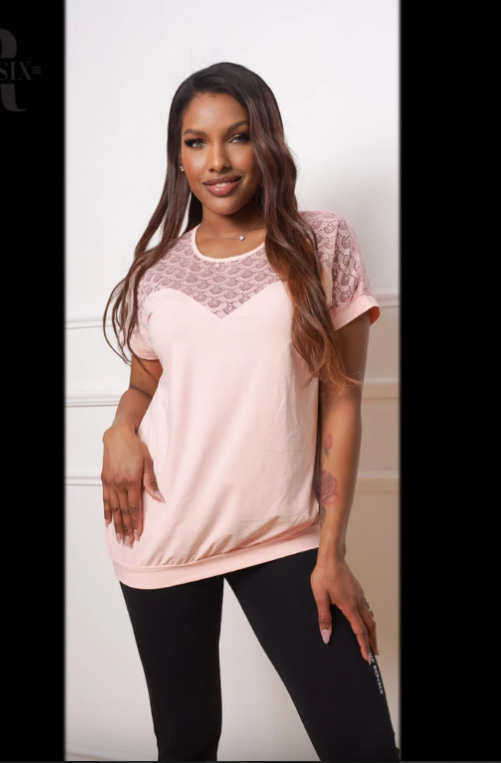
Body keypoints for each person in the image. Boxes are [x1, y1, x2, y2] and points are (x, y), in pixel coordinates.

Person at [101, 61, 399, 762]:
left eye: (237, 136)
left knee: (362, 744)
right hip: (160, 531)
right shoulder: (157, 270)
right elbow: (143, 386)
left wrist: (331, 550)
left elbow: (343, 397)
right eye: (196, 142)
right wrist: (119, 428)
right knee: (186, 741)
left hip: (284, 533)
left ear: (266, 139)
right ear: (178, 156)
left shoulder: (321, 240)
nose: (218, 161)